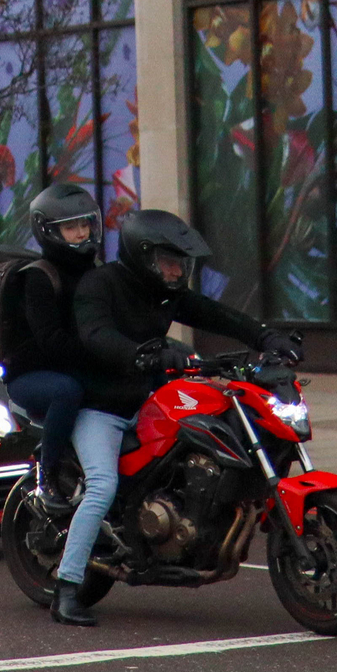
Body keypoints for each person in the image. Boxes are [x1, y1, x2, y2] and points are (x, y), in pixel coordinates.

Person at [52, 210, 299, 628]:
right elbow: (96, 336)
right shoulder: (100, 285)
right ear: (142, 256)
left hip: (147, 400)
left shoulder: (166, 293)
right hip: (102, 408)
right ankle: (67, 588)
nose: (176, 270)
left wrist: (266, 337)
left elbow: (218, 315)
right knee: (102, 486)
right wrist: (143, 353)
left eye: (181, 263)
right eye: (169, 262)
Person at [1, 183, 103, 505]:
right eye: (70, 227)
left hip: (75, 367)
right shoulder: (39, 278)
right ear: (49, 231)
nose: (80, 233)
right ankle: (47, 472)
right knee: (67, 391)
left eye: (84, 224)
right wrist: (100, 355)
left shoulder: (96, 273)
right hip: (31, 375)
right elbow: (51, 342)